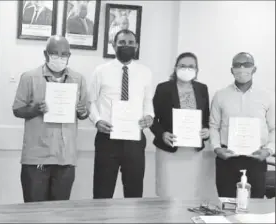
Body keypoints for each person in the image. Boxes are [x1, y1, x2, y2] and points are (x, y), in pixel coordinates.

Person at [12, 35, 89, 202]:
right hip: (36, 157)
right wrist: (34, 110)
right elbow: (17, 110)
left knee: (59, 213)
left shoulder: (79, 79)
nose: (59, 58)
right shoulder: (29, 77)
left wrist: (82, 111)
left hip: (65, 157)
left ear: (69, 56)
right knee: (34, 212)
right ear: (45, 54)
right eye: (54, 53)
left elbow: (84, 113)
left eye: (64, 54)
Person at [89, 29, 153, 199]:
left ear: (137, 46)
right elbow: (91, 102)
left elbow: (147, 101)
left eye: (131, 43)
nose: (127, 46)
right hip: (107, 138)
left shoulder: (145, 72)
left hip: (135, 140)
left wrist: (149, 116)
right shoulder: (101, 71)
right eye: (122, 43)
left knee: (134, 193)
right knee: (102, 192)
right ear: (113, 45)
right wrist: (97, 121)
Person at [210, 52, 274, 198]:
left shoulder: (267, 96)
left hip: (256, 159)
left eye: (247, 64)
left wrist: (268, 151)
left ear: (254, 69)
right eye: (237, 65)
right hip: (227, 159)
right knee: (226, 203)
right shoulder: (220, 95)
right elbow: (213, 126)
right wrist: (217, 148)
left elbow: (274, 128)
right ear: (231, 70)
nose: (242, 68)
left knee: (255, 205)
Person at [150, 52, 211, 198]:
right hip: (169, 150)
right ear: (175, 67)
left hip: (193, 152)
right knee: (167, 193)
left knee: (190, 193)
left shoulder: (202, 89)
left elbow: (207, 118)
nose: (187, 69)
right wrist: (162, 134)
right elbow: (151, 117)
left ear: (197, 70)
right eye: (183, 66)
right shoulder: (163, 88)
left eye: (191, 66)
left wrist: (207, 130)